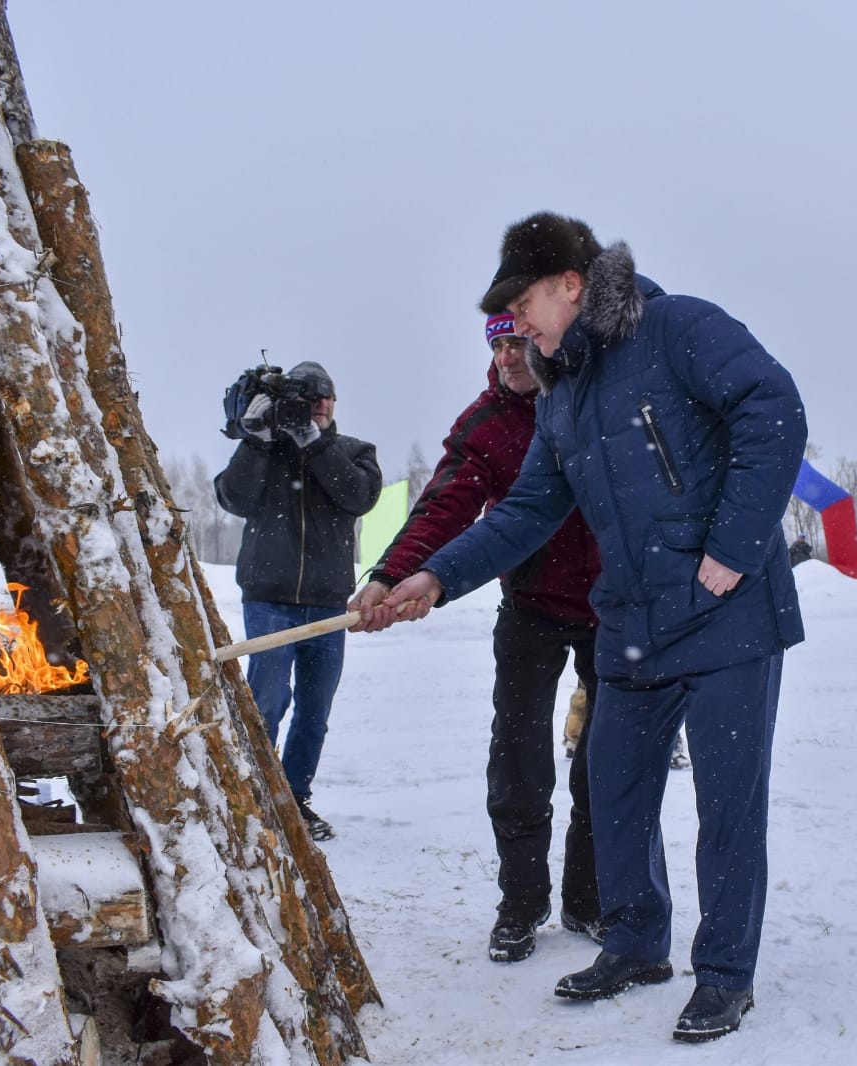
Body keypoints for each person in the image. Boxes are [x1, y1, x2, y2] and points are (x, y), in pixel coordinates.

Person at [373, 212, 805, 1044]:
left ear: (571, 285)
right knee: (614, 791)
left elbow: (773, 406)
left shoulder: (678, 326)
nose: (516, 325)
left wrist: (735, 544)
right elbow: (531, 508)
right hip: (633, 622)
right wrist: (433, 576)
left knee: (726, 807)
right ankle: (638, 945)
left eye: (524, 302)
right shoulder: (562, 388)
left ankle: (723, 974)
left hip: (727, 617)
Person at [349, 312, 605, 963]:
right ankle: (521, 901)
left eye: (520, 342)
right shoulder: (484, 425)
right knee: (517, 758)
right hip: (531, 608)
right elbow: (444, 505)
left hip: (614, 610)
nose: (508, 357)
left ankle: (590, 898)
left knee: (606, 762)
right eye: (497, 344)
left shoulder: (590, 401)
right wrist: (394, 573)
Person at [214, 360, 382, 841]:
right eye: (310, 398)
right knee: (266, 699)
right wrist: (256, 441)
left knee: (314, 711)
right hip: (268, 598)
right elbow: (232, 498)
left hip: (328, 604)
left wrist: (315, 443)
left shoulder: (352, 451)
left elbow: (359, 496)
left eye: (327, 397)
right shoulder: (266, 452)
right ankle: (256, 796)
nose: (322, 405)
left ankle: (294, 799)